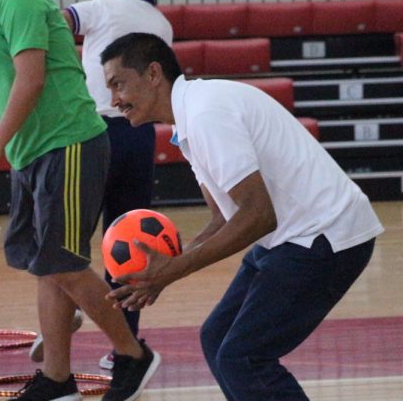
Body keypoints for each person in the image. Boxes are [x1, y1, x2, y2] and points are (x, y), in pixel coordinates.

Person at [100, 32, 384, 401]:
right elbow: (224, 216)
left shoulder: (205, 115)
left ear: (154, 73)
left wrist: (172, 270)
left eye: (118, 84)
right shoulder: (190, 118)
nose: (114, 100)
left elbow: (257, 216)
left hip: (326, 237)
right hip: (291, 237)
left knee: (243, 357)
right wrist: (164, 269)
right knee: (217, 338)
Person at [0, 0, 160, 401]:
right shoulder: (6, 5)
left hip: (68, 143)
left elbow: (31, 80)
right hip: (36, 149)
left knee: (63, 261)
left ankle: (133, 355)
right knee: (48, 266)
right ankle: (57, 378)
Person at [30, 0, 174, 371]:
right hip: (141, 134)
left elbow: (42, 23)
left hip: (92, 134)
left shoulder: (100, 8)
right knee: (130, 242)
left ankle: (63, 313)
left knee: (66, 242)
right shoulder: (162, 24)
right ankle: (124, 347)